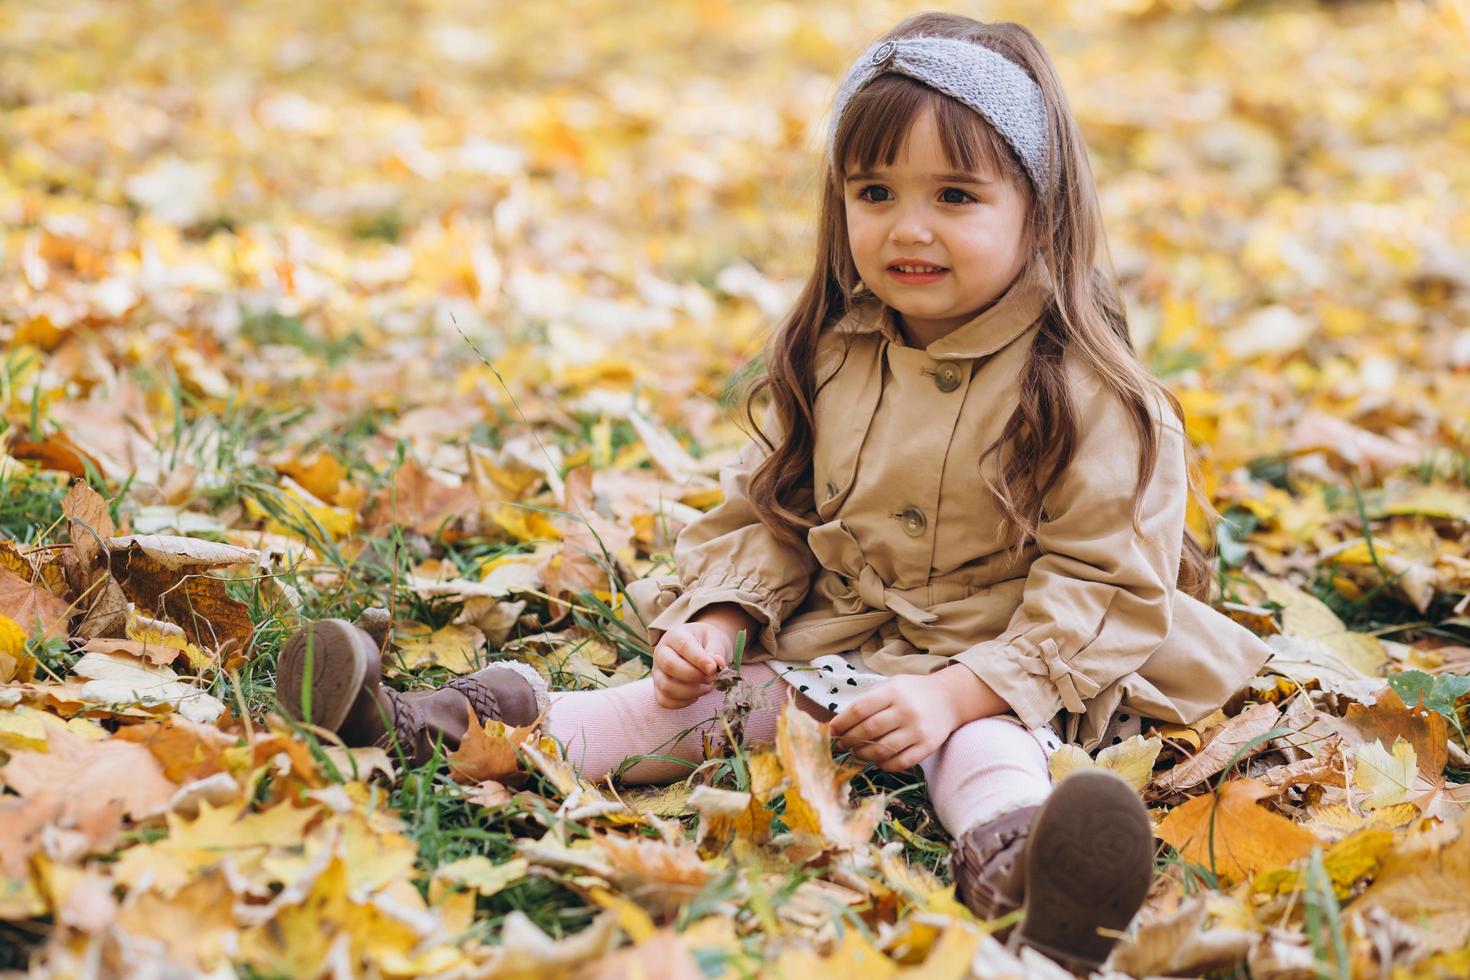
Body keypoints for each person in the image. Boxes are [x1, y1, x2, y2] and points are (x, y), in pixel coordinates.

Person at [276, 12, 1274, 971]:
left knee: (985, 755)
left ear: (1040, 209)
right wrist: (715, 617)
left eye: (956, 197)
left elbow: (1099, 581)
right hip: (844, 645)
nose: (908, 228)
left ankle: (1036, 887)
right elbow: (781, 513)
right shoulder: (838, 354)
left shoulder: (1090, 393)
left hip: (1002, 666)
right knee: (673, 711)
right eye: (874, 192)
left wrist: (952, 693)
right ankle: (427, 723)